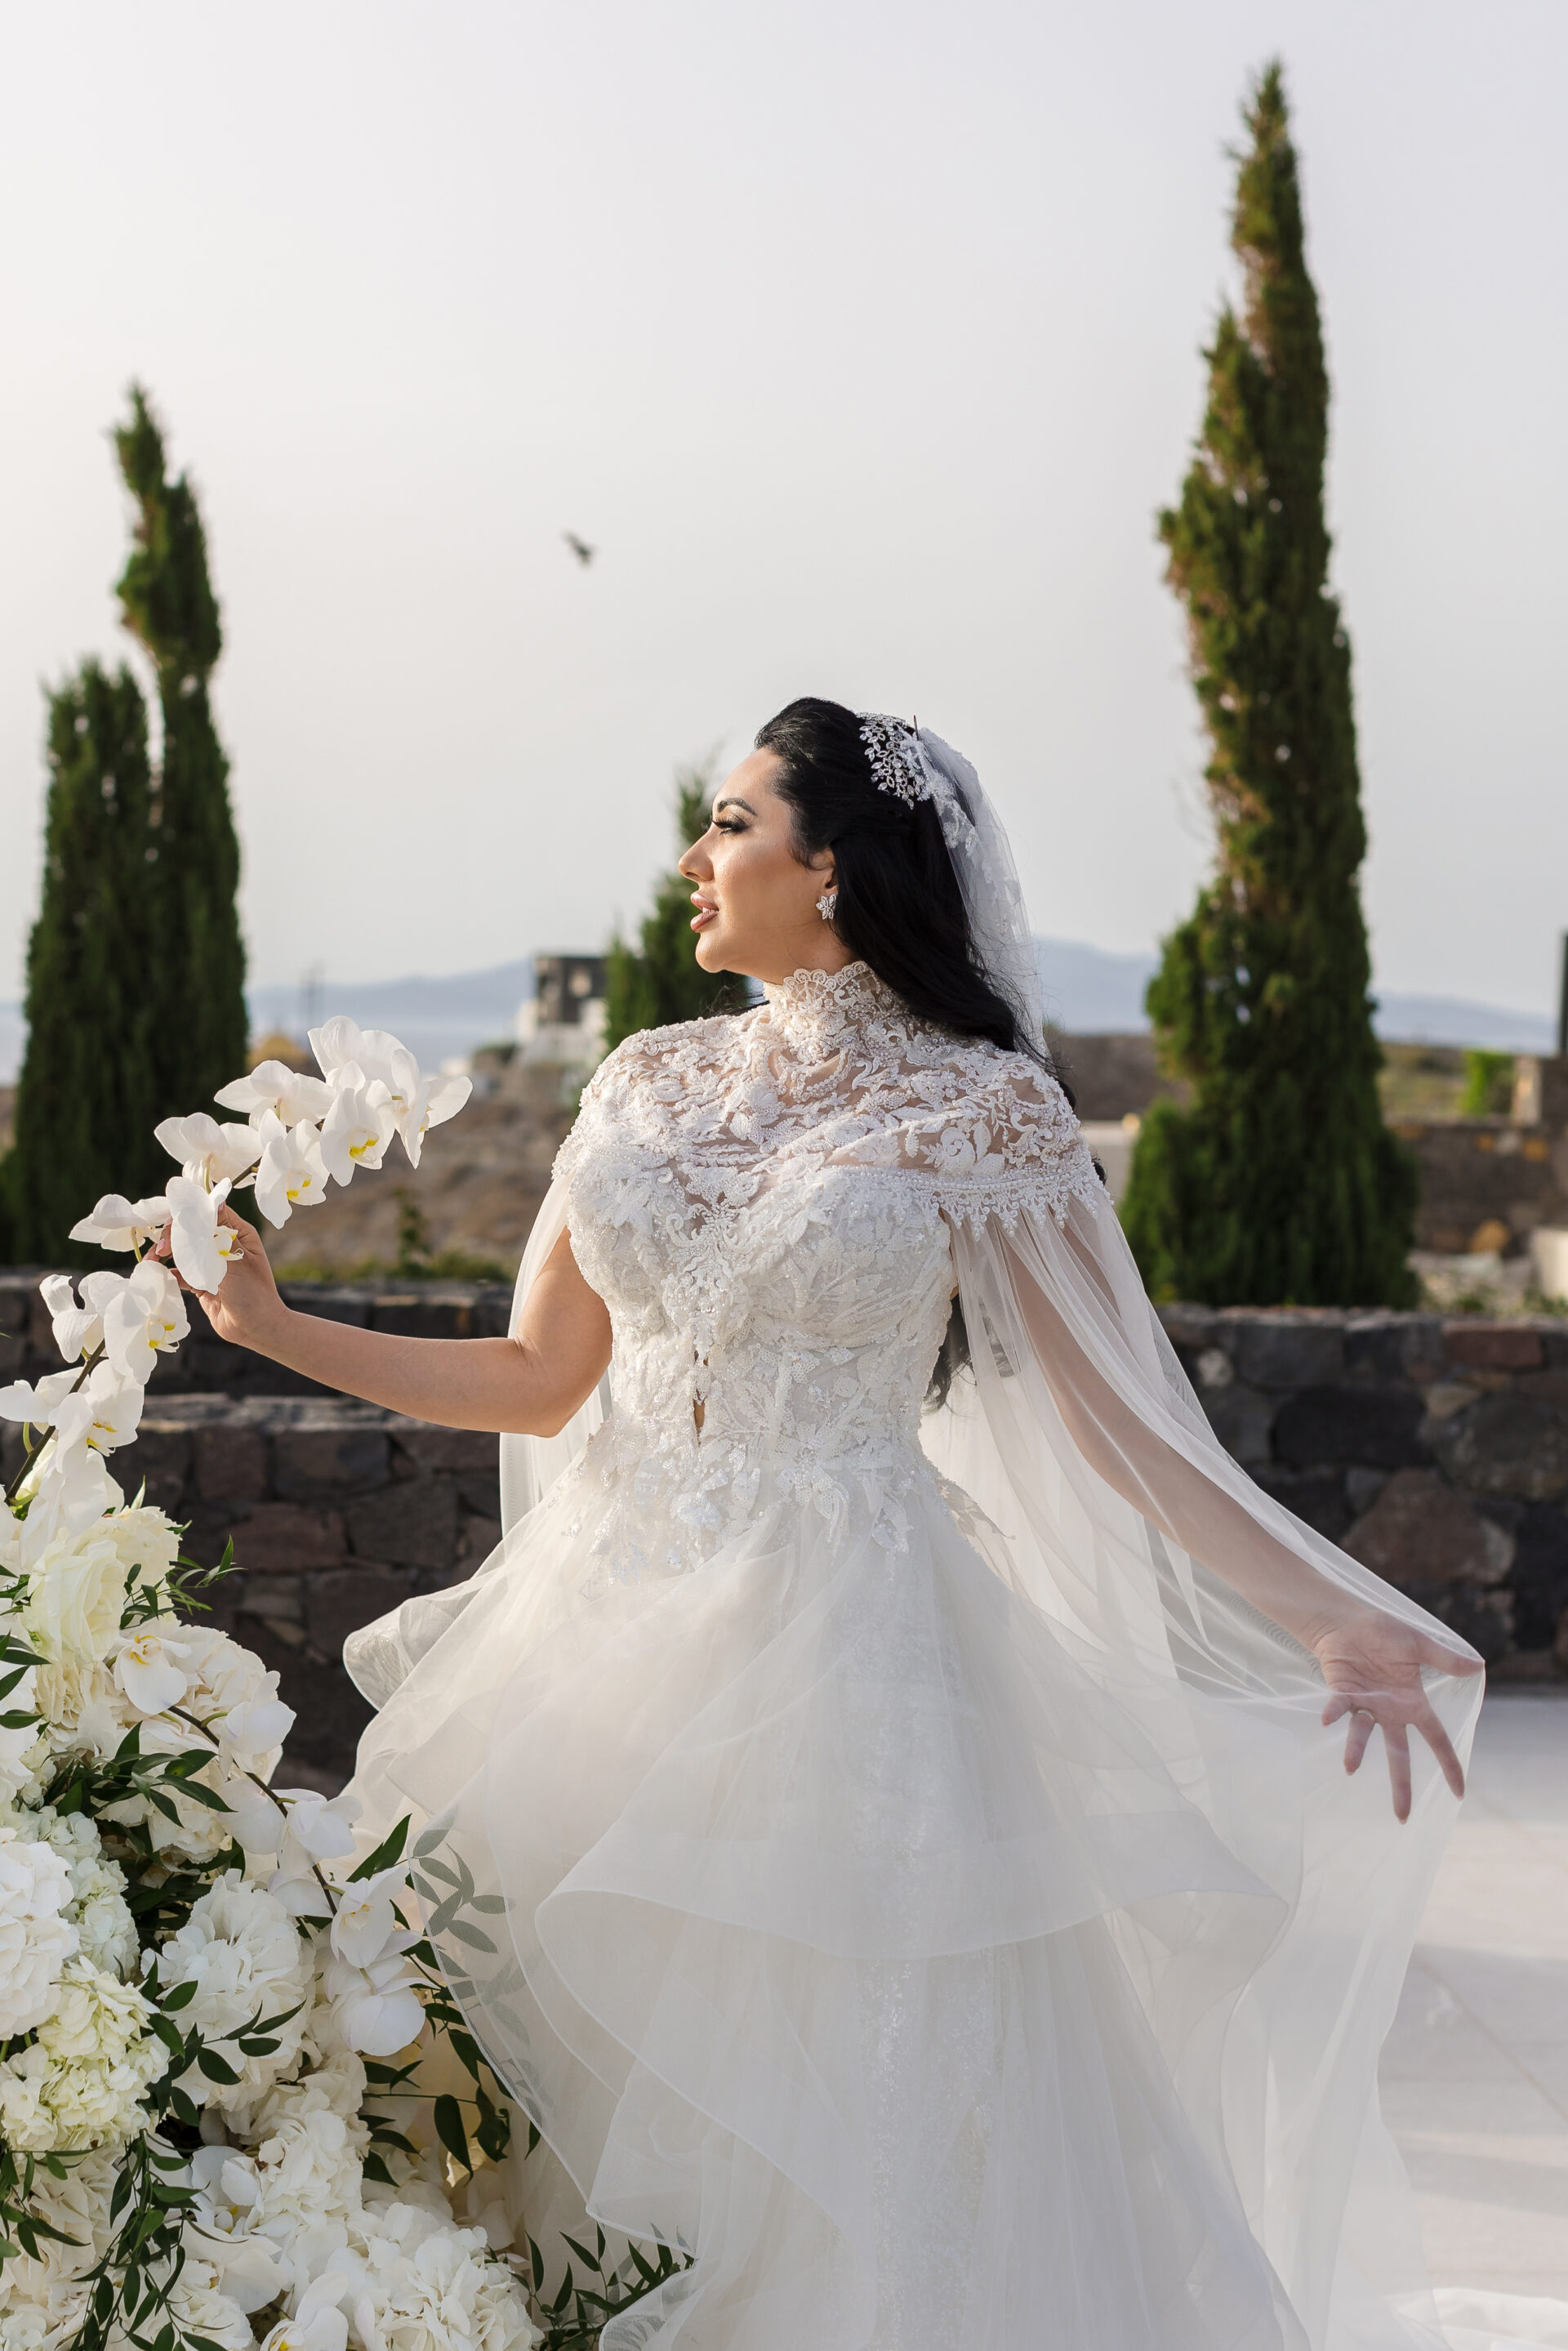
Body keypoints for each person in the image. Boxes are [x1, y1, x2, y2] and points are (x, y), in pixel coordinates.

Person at [186, 700, 1521, 2351]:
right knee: (545, 2087)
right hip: (596, 1654)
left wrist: (1328, 1608)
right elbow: (542, 1378)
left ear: (831, 869)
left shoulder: (987, 1111)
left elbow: (1117, 1423)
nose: (695, 854)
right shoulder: (645, 1076)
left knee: (848, 2120)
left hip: (855, 1670)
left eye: (732, 821)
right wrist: (276, 1330)